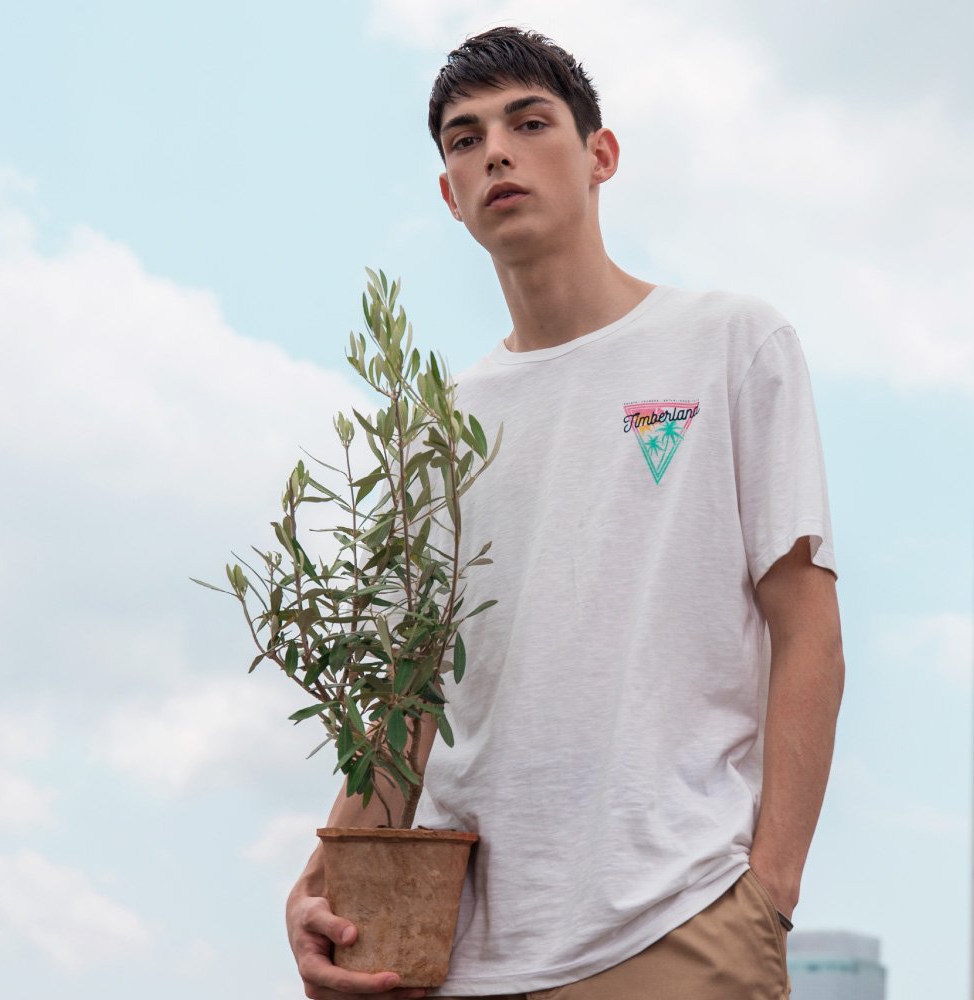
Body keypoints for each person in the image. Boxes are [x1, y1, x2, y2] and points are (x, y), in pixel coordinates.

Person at [283, 26, 844, 1000]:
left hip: (675, 928)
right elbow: (404, 704)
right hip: (454, 957)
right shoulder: (437, 427)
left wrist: (768, 892)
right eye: (463, 139)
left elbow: (808, 630)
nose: (493, 149)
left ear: (599, 155)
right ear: (448, 195)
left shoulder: (730, 343)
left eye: (527, 121)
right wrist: (322, 881)